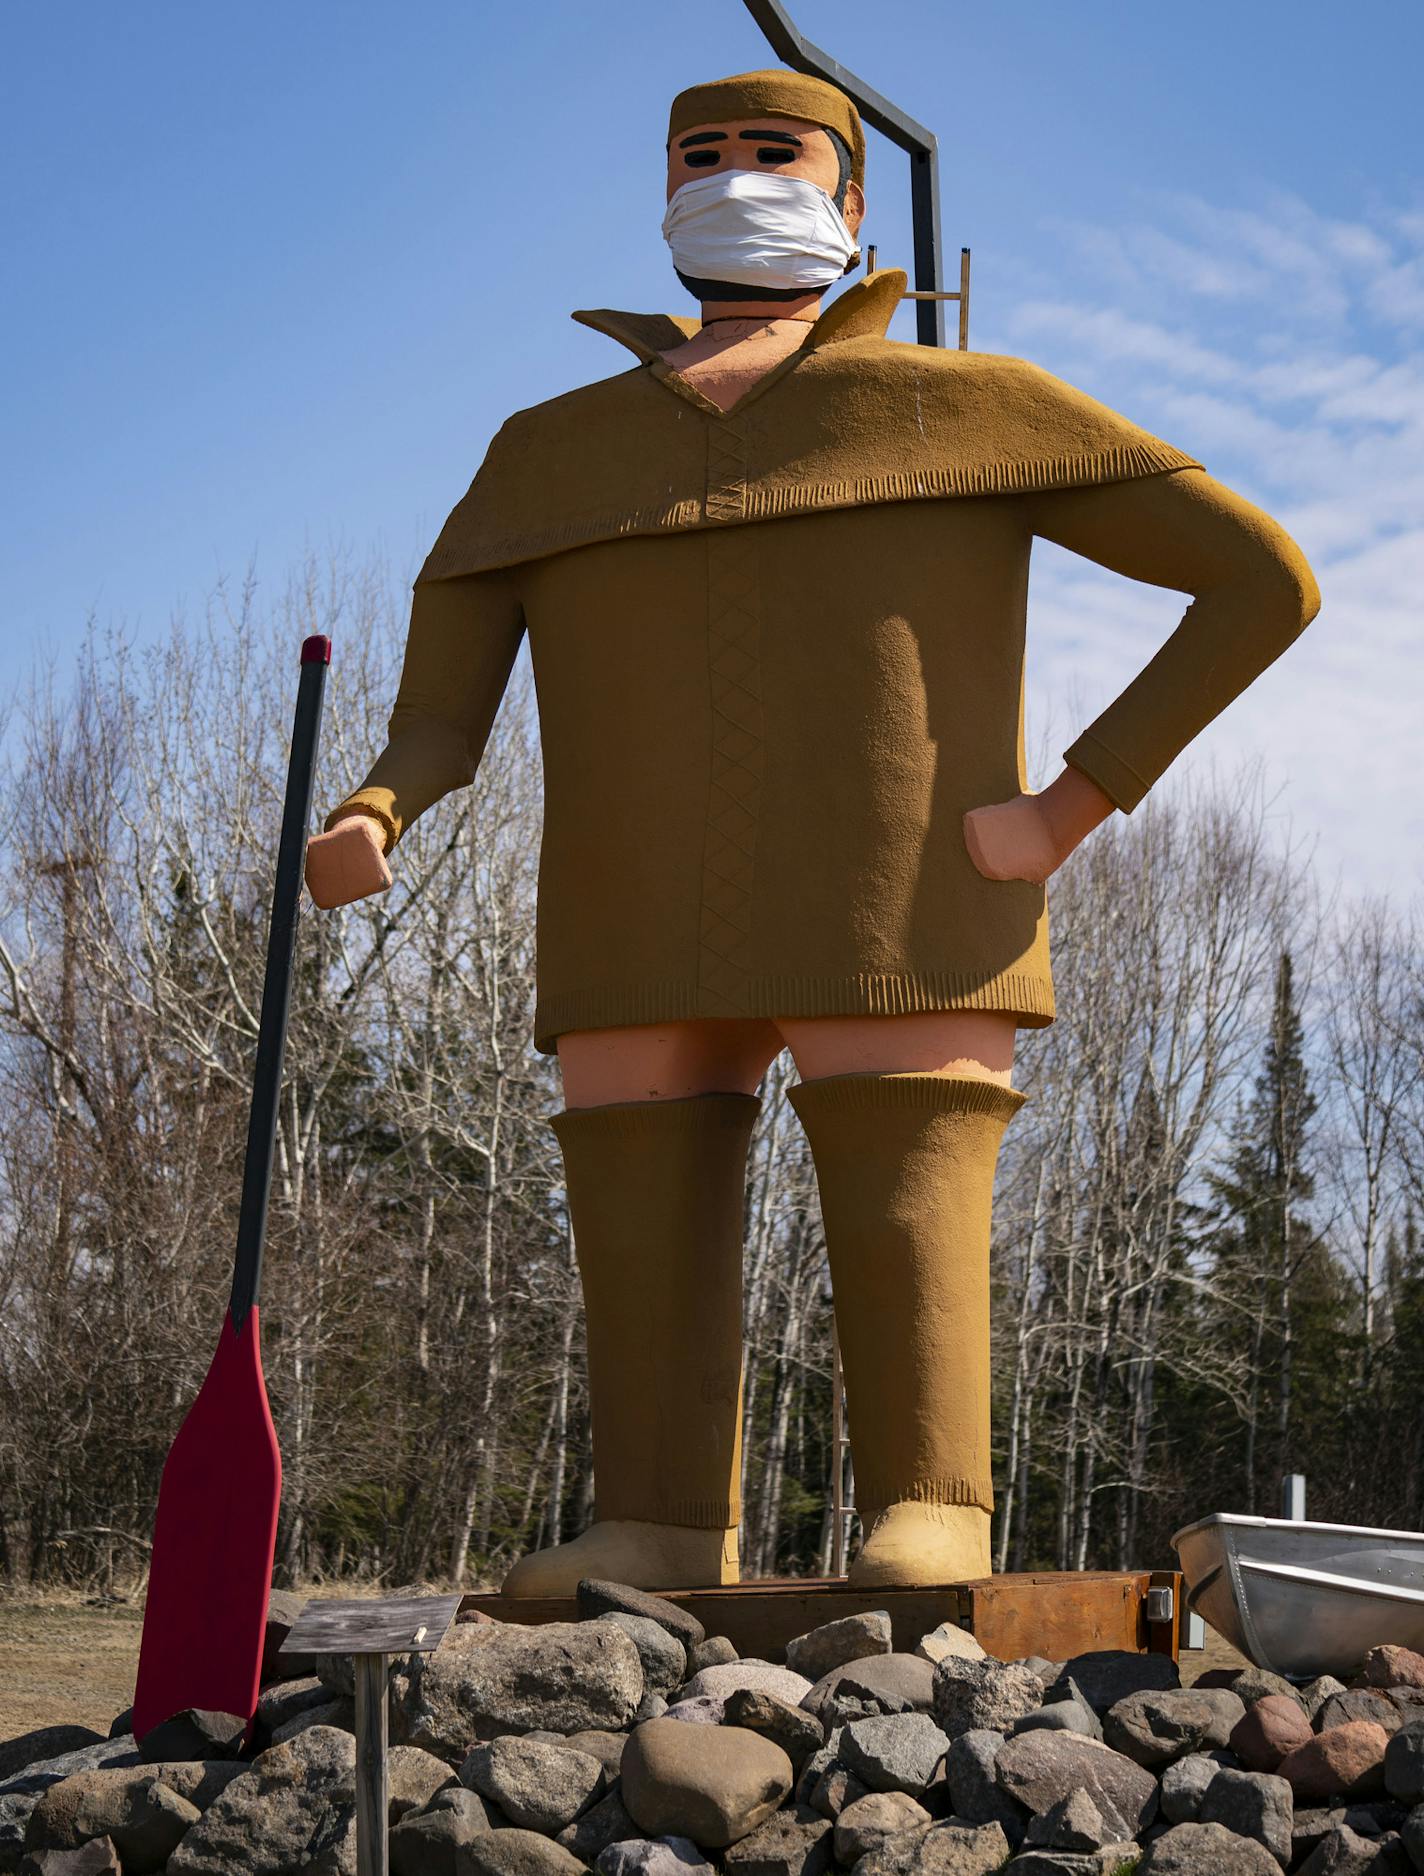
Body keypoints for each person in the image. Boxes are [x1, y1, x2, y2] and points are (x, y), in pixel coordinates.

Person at [305, 68, 1320, 1593]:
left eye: (770, 152)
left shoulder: (964, 401)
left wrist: (1070, 805)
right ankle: (653, 1515)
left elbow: (1260, 580)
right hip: (629, 901)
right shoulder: (547, 454)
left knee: (904, 1151)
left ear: (853, 202)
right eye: (697, 155)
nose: (729, 177)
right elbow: (443, 706)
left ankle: (935, 1498)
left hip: (902, 893)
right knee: (638, 1172)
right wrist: (381, 806)